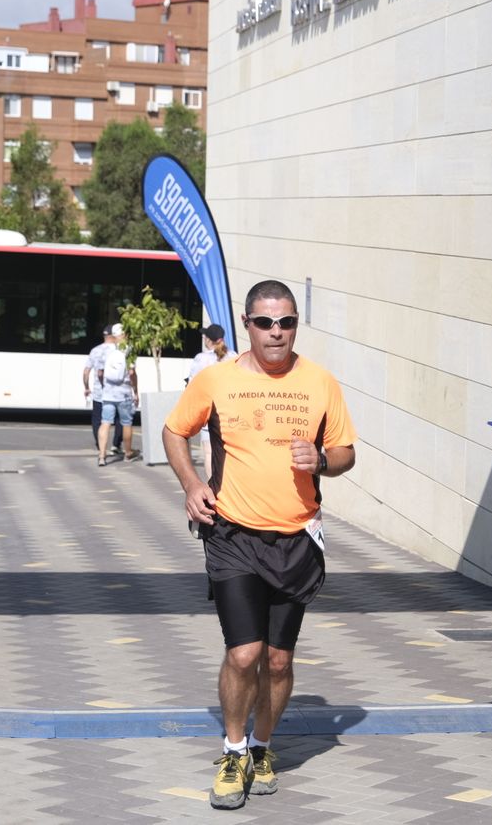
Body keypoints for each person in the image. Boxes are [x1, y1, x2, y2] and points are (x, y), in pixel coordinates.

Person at [163, 280, 357, 811]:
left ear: (296, 325)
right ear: (247, 325)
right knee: (243, 652)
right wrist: (191, 485)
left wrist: (320, 461)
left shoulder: (320, 382)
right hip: (233, 536)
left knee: (276, 660)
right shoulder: (216, 380)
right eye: (265, 322)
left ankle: (262, 747)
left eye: (286, 322)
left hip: (296, 539)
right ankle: (232, 751)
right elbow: (174, 431)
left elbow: (345, 453)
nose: (277, 332)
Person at [185, 324, 231, 478]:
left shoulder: (201, 359)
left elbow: (192, 385)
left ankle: (214, 486)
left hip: (209, 410)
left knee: (209, 452)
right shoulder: (233, 357)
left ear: (210, 340)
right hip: (230, 410)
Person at [96, 323, 138, 465]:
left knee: (105, 422)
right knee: (126, 422)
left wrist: (104, 386)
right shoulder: (129, 350)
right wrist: (135, 390)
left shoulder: (104, 350)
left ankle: (102, 455)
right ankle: (127, 453)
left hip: (108, 393)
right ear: (124, 334)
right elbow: (132, 373)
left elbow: (100, 372)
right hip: (124, 393)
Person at [83, 326, 124, 457]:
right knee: (120, 420)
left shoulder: (95, 350)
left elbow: (86, 372)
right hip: (117, 392)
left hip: (99, 393)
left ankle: (100, 446)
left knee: (98, 420)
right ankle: (116, 445)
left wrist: (87, 387)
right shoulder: (120, 350)